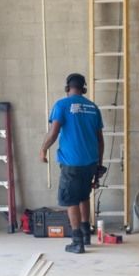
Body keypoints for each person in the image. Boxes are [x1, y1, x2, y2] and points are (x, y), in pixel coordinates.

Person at [40, 72, 104, 254]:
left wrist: (43, 149)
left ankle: (77, 242)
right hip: (90, 162)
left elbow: (53, 133)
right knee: (83, 196)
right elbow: (100, 140)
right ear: (83, 89)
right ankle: (85, 235)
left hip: (72, 163)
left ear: (67, 88)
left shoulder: (61, 105)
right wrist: (99, 164)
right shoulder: (93, 107)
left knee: (71, 200)